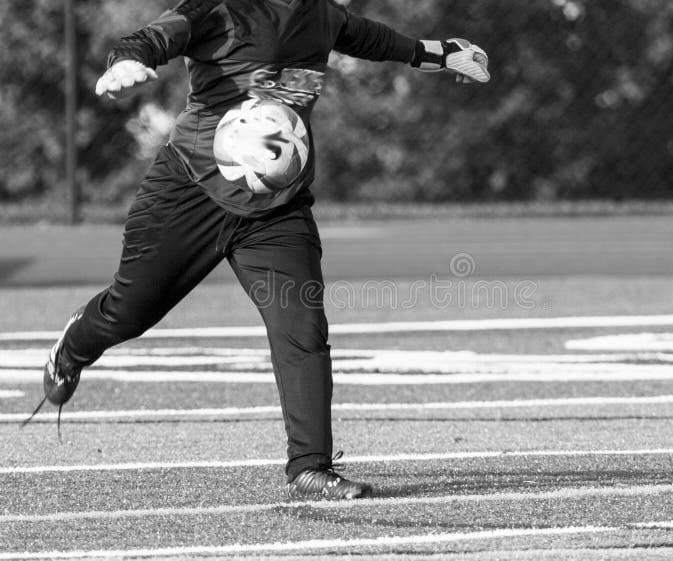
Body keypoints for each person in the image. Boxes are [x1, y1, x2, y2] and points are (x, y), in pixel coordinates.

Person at [29, 0, 489, 500]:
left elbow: (375, 40)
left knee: (302, 329)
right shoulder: (222, 8)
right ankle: (71, 347)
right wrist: (125, 60)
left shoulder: (321, 15)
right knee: (129, 311)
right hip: (190, 191)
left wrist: (442, 54)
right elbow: (157, 36)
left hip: (277, 209)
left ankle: (310, 467)